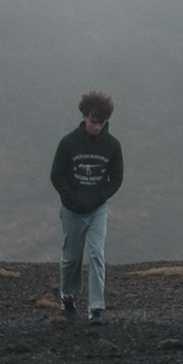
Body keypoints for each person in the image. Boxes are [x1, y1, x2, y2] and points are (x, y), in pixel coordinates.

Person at [50, 90, 123, 321]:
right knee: (71, 258)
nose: (97, 126)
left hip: (97, 210)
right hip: (72, 210)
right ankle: (68, 297)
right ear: (84, 116)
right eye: (93, 121)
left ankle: (96, 307)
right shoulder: (68, 143)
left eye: (101, 122)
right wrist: (71, 199)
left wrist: (99, 198)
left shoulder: (112, 146)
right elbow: (57, 175)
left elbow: (116, 179)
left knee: (96, 254)